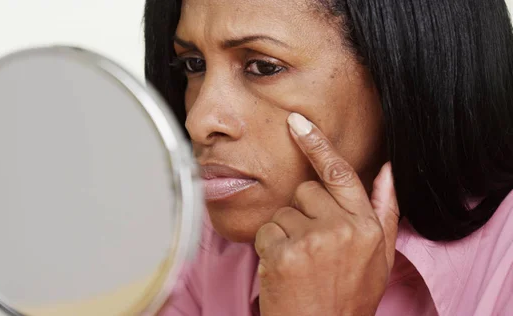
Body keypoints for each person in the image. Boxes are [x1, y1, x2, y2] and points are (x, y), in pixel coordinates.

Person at [144, 0, 513, 314]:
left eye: (264, 66)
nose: (199, 121)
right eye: (194, 64)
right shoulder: (193, 242)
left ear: (403, 66)